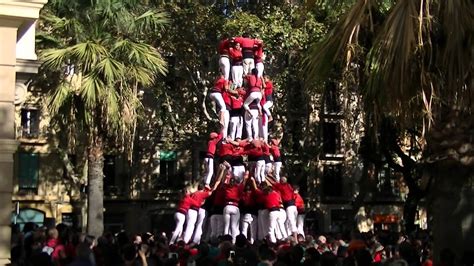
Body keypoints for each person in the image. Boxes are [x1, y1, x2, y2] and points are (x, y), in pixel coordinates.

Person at [243, 68, 263, 140]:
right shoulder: (259, 78)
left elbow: (244, 76)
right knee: (258, 104)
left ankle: (250, 137)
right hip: (259, 94)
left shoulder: (251, 76)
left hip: (253, 93)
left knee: (245, 104)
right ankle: (256, 137)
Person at [260, 76, 274, 142]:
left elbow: (265, 86)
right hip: (267, 101)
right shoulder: (266, 85)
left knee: (265, 107)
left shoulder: (269, 83)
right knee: (264, 106)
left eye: (265, 78)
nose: (264, 80)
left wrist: (262, 79)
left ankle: (270, 116)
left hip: (269, 101)